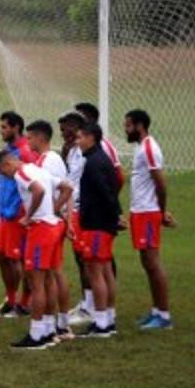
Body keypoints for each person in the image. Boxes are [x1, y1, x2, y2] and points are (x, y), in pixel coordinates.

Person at [0, 149, 71, 350]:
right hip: (54, 226)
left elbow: (38, 191)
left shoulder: (21, 173)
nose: (8, 178)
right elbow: (67, 188)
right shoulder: (39, 170)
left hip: (41, 229)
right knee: (48, 280)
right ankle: (48, 330)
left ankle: (37, 335)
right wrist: (55, 209)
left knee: (35, 281)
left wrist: (29, 215)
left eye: (4, 174)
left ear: (7, 165)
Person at [124, 109, 175, 330]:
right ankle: (156, 311)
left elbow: (160, 183)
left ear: (139, 125)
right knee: (147, 262)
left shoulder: (149, 148)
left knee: (153, 263)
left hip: (148, 213)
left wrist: (162, 212)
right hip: (140, 212)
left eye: (128, 125)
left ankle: (163, 316)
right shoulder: (140, 148)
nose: (125, 129)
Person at [26, 119, 73, 339]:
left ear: (40, 137)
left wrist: (54, 212)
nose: (28, 141)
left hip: (50, 224)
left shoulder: (48, 161)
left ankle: (58, 324)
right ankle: (55, 323)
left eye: (30, 137)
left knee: (51, 274)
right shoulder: (49, 159)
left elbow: (63, 190)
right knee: (51, 273)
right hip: (55, 222)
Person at [74, 123, 121, 338]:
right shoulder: (102, 159)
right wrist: (115, 216)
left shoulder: (93, 163)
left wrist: (114, 215)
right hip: (104, 224)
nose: (77, 141)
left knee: (95, 271)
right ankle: (108, 318)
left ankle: (101, 322)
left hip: (96, 225)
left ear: (91, 137)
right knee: (104, 270)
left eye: (80, 137)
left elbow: (105, 193)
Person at [0, 110, 37, 318]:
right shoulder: (7, 150)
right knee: (2, 256)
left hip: (17, 212)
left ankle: (24, 303)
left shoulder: (25, 152)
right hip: (3, 212)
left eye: (4, 127)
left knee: (18, 259)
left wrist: (25, 211)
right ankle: (10, 300)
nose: (1, 130)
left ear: (15, 128)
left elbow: (32, 183)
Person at [59, 111, 97, 324]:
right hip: (74, 210)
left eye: (67, 129)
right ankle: (87, 302)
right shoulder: (72, 151)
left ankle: (92, 307)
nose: (64, 134)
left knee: (88, 260)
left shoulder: (87, 152)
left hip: (85, 210)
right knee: (80, 259)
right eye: (62, 130)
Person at [75, 102, 125, 189]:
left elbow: (119, 177)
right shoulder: (75, 145)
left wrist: (110, 198)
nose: (76, 122)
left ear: (91, 120)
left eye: (79, 119)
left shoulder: (105, 145)